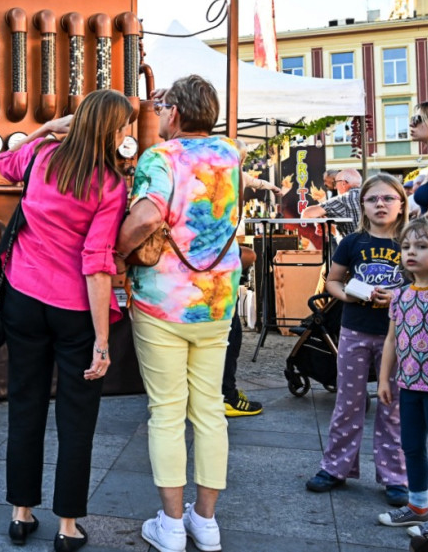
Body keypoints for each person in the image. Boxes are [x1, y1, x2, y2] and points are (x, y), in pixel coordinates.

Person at [0, 89, 132, 551]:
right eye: (124, 125)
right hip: (74, 308)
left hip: (22, 297)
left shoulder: (42, 155)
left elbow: (3, 163)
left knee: (25, 403)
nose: (128, 132)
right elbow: (97, 263)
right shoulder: (110, 182)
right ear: (112, 130)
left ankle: (20, 513)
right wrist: (101, 339)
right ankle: (68, 525)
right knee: (76, 416)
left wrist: (45, 128)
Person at [115, 75, 241, 552]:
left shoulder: (161, 157)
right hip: (216, 300)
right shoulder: (231, 153)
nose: (160, 111)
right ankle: (205, 522)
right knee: (209, 411)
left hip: (163, 300)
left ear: (176, 112)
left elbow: (148, 217)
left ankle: (170, 525)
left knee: (166, 413)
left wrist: (118, 251)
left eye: (164, 105)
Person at [304, 174, 409, 506]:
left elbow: (424, 282)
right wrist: (349, 295)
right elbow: (334, 281)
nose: (380, 204)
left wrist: (397, 296)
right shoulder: (353, 242)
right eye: (372, 199)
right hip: (354, 330)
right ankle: (335, 468)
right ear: (361, 205)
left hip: (396, 335)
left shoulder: (410, 240)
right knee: (348, 402)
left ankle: (395, 476)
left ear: (402, 204)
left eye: (388, 198)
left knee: (392, 407)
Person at [377, 219, 428, 545]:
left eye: (422, 247)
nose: (411, 252)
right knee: (410, 446)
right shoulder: (401, 295)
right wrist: (383, 378)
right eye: (407, 246)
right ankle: (418, 506)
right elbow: (392, 340)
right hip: (409, 384)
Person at [222, 170, 281, 418]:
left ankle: (221, 393)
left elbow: (255, 181)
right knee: (229, 336)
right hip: (213, 281)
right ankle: (226, 396)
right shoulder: (221, 176)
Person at [301, 168, 363, 238]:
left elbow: (306, 214)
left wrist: (321, 217)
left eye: (336, 183)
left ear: (343, 183)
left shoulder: (343, 199)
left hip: (355, 246)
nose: (335, 187)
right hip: (375, 246)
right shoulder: (371, 195)